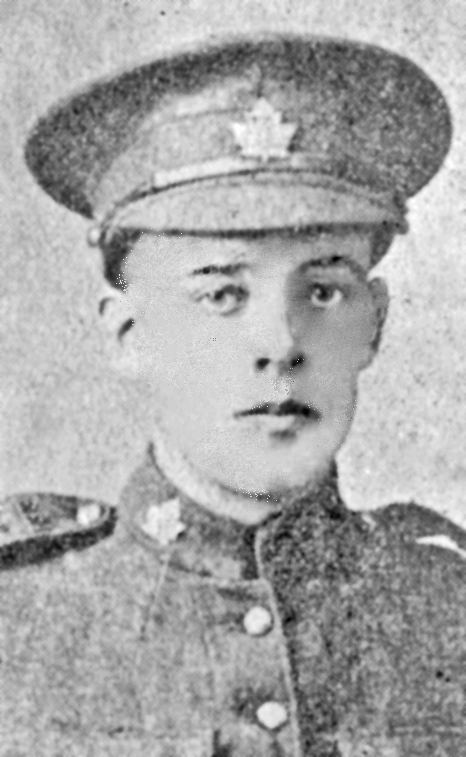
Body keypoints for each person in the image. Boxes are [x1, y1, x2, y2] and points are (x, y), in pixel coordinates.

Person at [0, 35, 464, 757]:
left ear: (373, 324)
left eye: (323, 290)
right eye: (222, 294)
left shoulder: (448, 613)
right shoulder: (18, 625)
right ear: (129, 332)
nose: (280, 342)